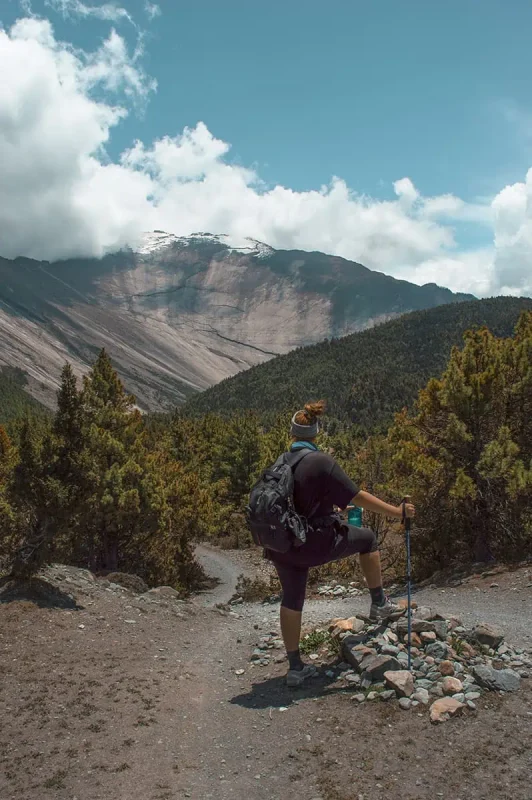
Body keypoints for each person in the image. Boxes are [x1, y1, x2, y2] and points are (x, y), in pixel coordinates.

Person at [267, 400, 415, 687]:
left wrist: (331, 512)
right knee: (368, 539)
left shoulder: (281, 461)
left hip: (282, 544)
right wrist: (397, 512)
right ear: (316, 433)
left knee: (292, 597)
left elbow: (297, 503)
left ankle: (295, 666)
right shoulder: (321, 462)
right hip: (312, 543)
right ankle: (379, 603)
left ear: (292, 434)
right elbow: (357, 496)